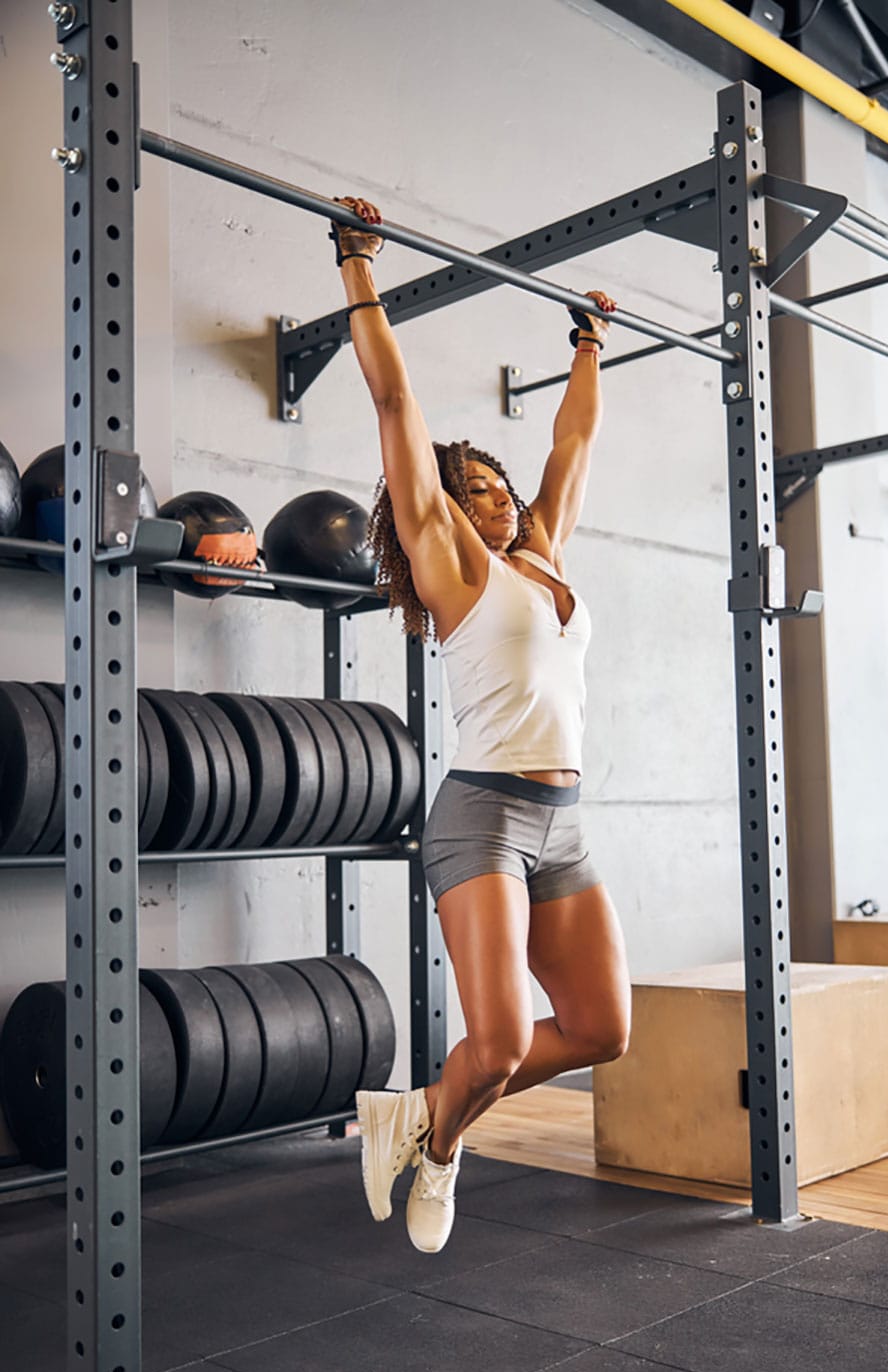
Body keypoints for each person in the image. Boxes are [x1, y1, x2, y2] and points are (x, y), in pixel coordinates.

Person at [331, 196, 631, 1253]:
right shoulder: (452, 569)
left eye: (496, 479)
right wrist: (357, 263)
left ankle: (414, 1108)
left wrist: (589, 341)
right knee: (497, 1042)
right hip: (484, 817)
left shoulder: (544, 552)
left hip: (567, 817)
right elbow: (394, 395)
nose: (493, 491)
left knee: (602, 1026)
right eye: (468, 485)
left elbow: (576, 434)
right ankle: (441, 1144)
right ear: (441, 511)